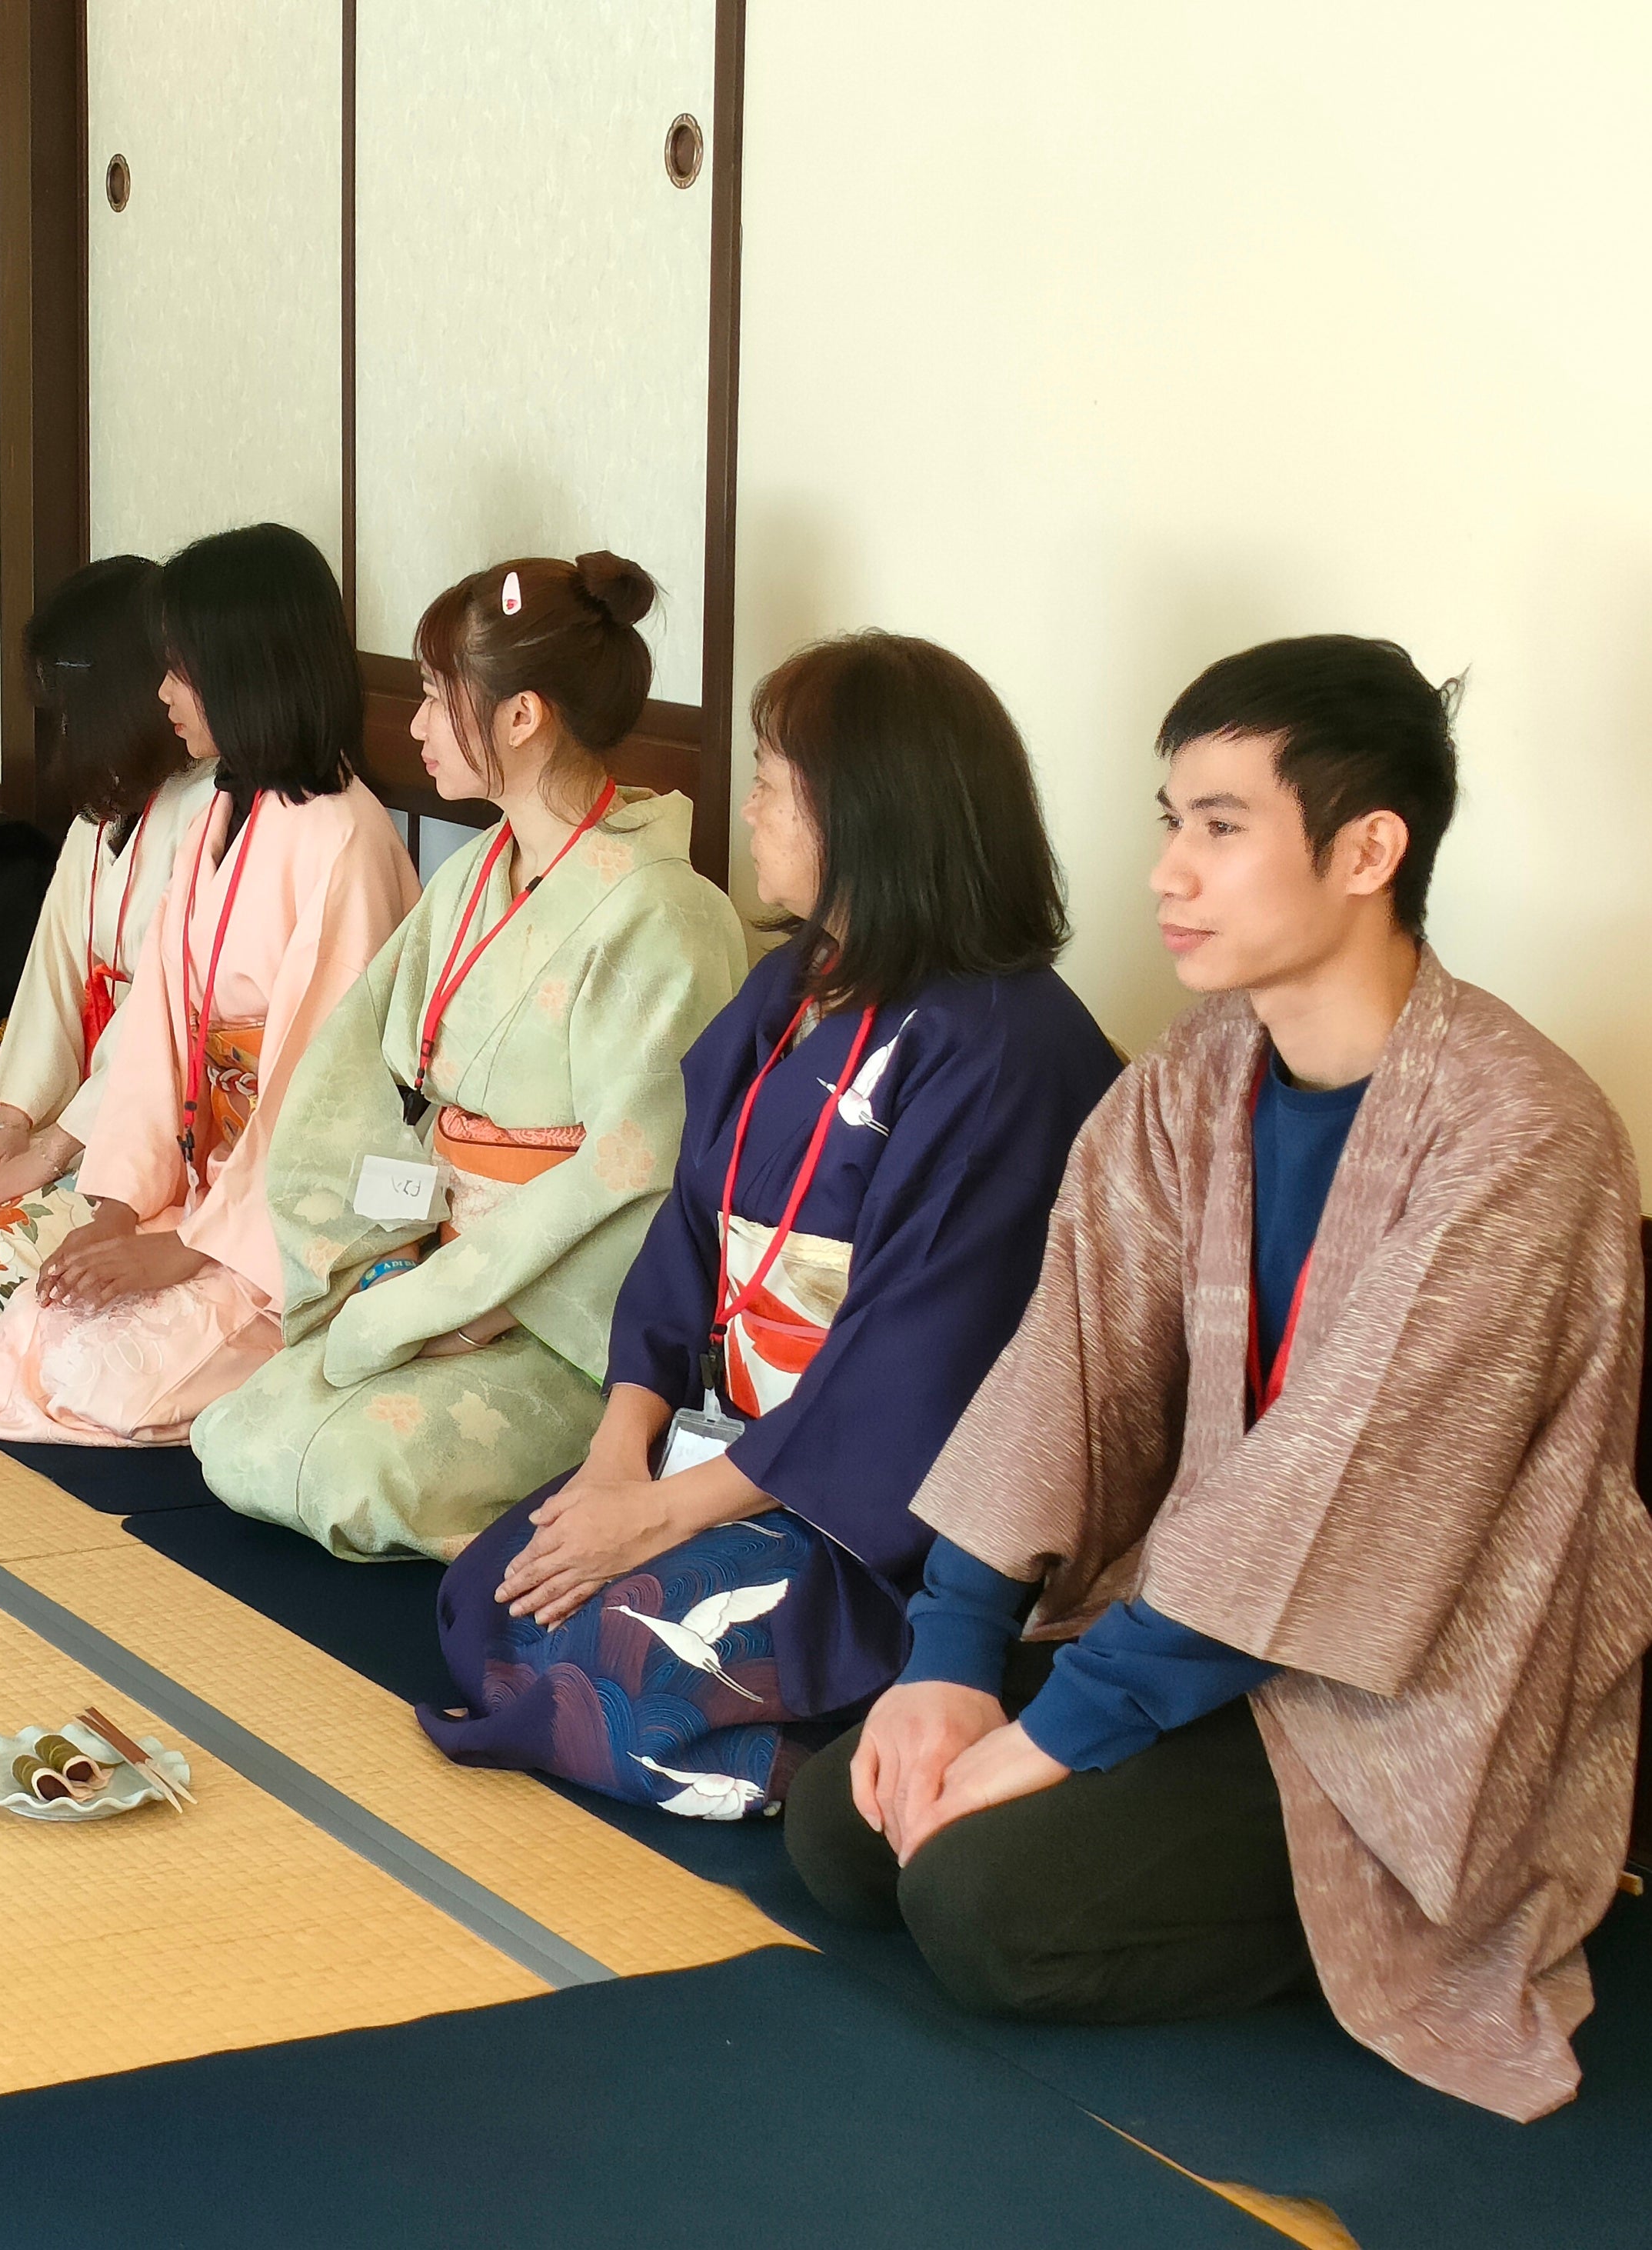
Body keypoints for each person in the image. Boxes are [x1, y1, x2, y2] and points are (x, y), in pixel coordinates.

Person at [786, 636, 1650, 2122]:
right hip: (1196, 1626)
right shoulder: (1196, 1075)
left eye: (1222, 826)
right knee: (842, 1826)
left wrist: (1059, 1733)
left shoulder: (1521, 1135)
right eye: (1170, 821)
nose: (1168, 873)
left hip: (1403, 1700)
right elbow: (1067, 1367)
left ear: (1368, 850)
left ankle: (1347, 1923)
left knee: (983, 1906)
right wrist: (952, 1657)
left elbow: (1350, 1491)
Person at [420, 633, 1122, 1819]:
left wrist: (655, 1516)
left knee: (605, 1662)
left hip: (875, 1516)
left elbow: (916, 1367)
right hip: (730, 1443)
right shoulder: (791, 985)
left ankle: (863, 1744)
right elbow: (689, 1238)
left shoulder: (1004, 1048)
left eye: (771, 783)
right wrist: (618, 1458)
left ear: (867, 812)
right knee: (483, 1600)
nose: (748, 809)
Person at [191, 552, 745, 1560]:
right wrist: (388, 1262)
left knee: (343, 1467)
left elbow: (642, 1174)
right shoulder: (473, 876)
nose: (414, 725)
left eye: (437, 696)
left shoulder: (670, 915)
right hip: (433, 1268)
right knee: (239, 1428)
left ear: (522, 715)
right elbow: (360, 1082)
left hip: (558, 1329)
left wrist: (469, 1310)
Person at [0, 522, 417, 1445]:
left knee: (105, 1380)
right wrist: (119, 1209)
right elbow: (154, 1036)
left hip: (293, 1217)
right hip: (199, 1183)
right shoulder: (225, 809)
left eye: (179, 669)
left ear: (244, 669)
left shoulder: (345, 839)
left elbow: (321, 1093)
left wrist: (186, 1246)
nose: (164, 692)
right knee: (45, 1325)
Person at [0, 556, 217, 1318]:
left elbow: (165, 1009)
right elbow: (53, 973)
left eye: (67, 708)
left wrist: (55, 1147)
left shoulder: (210, 807)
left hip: (156, 1120)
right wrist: (11, 1128)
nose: (62, 728)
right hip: (83, 1107)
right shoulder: (102, 814)